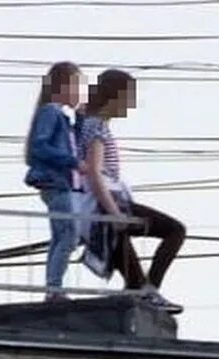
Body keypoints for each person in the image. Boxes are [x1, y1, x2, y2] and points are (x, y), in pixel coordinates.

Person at [76, 69, 186, 314]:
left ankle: (144, 293)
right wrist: (114, 213)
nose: (131, 104)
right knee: (175, 230)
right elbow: (94, 173)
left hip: (102, 205)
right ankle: (150, 291)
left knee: (132, 276)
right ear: (115, 97)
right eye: (129, 97)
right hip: (107, 202)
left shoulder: (91, 122)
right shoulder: (96, 127)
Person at [24, 61, 86, 301]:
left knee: (63, 235)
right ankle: (54, 288)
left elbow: (76, 142)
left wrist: (80, 119)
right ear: (63, 86)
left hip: (63, 185)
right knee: (68, 235)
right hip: (56, 183)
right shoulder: (51, 112)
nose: (79, 92)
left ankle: (53, 287)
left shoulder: (62, 118)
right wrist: (72, 162)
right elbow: (40, 146)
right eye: (76, 86)